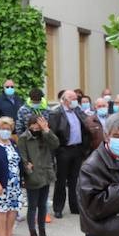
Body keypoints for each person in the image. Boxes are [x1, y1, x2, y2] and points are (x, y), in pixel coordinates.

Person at [19, 111, 58, 236]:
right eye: (33, 126)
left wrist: (47, 130)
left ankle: (43, 234)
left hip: (46, 174)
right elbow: (23, 158)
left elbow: (56, 144)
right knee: (32, 207)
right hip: (33, 176)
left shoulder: (45, 135)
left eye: (38, 126)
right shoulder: (24, 138)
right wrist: (28, 169)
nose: (35, 129)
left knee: (43, 206)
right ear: (29, 125)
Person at [49, 90, 90, 219]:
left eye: (76, 98)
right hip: (63, 150)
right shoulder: (56, 113)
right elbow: (53, 133)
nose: (75, 101)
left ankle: (75, 206)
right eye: (72, 98)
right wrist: (55, 152)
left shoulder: (77, 111)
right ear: (65, 100)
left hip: (77, 149)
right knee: (61, 180)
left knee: (74, 180)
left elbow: (86, 127)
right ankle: (58, 208)